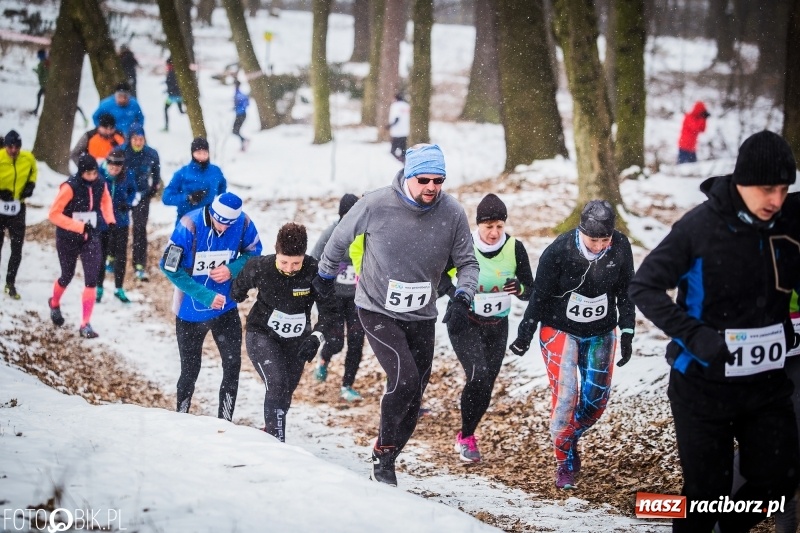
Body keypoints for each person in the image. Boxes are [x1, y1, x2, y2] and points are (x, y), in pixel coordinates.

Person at [629, 130, 800, 532]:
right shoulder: (698, 228)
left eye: (783, 189)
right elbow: (644, 286)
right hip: (702, 383)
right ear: (741, 182)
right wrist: (696, 335)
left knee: (782, 475)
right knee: (707, 491)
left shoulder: (787, 221)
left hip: (766, 382)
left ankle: (729, 526)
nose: (775, 200)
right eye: (766, 189)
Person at [316, 143, 479, 486]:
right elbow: (340, 237)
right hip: (376, 308)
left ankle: (386, 453)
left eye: (439, 180)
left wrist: (464, 296)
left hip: (421, 313)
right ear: (408, 175)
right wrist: (325, 279)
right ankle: (385, 456)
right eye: (424, 180)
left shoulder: (452, 212)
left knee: (415, 390)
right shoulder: (376, 204)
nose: (432, 187)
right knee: (403, 380)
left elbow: (467, 262)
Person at [509, 200, 635, 490]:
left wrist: (627, 332)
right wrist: (524, 334)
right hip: (559, 330)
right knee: (566, 399)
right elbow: (539, 295)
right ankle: (563, 463)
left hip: (601, 332)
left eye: (606, 239)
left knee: (595, 404)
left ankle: (569, 435)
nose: (600, 246)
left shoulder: (620, 246)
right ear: (581, 232)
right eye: (594, 239)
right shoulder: (559, 250)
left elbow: (627, 290)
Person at [438, 194, 534, 463]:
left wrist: (521, 289)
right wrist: (456, 295)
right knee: (478, 375)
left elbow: (531, 290)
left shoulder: (515, 248)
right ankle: (467, 439)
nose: (494, 232)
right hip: (465, 321)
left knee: (486, 384)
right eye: (488, 226)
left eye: (499, 226)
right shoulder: (464, 244)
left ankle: (466, 432)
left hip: (497, 325)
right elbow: (440, 276)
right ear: (478, 225)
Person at [160, 192, 262, 421]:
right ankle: (181, 417)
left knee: (233, 364)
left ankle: (225, 421)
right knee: (190, 369)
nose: (224, 228)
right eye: (220, 222)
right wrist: (205, 295)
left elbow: (254, 253)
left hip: (225, 309)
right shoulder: (188, 225)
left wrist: (232, 269)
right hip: (190, 311)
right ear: (211, 214)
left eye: (229, 224)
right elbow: (168, 267)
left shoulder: (243, 222)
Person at [231, 223, 327, 441]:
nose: (289, 268)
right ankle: (277, 443)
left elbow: (331, 313)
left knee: (285, 391)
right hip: (262, 333)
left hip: (297, 340)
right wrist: (237, 293)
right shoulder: (262, 267)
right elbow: (241, 283)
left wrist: (316, 337)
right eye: (284, 261)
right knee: (276, 382)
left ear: (304, 256)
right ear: (276, 253)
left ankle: (270, 431)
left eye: (296, 263)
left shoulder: (314, 271)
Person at [47, 154, 116, 339]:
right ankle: (54, 303)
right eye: (88, 173)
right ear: (81, 172)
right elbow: (53, 214)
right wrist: (78, 226)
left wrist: (110, 220)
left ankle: (85, 323)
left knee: (91, 279)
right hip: (67, 237)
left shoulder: (101, 183)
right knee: (67, 275)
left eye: (95, 172)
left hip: (90, 236)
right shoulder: (70, 187)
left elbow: (105, 201)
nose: (93, 176)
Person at [309, 193, 366, 402]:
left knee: (357, 341)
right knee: (336, 342)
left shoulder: (364, 234)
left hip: (357, 298)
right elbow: (313, 259)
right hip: (333, 298)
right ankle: (324, 359)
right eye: (345, 217)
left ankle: (347, 385)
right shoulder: (331, 233)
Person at [0, 130, 37, 300]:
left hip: (17, 208)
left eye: (17, 147)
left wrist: (31, 185)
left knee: (17, 248)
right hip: (0, 207)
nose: (13, 150)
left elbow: (33, 172)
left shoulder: (27, 158)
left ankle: (10, 283)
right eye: (10, 147)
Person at [96, 149, 136, 304]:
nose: (114, 171)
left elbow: (133, 191)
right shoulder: (99, 174)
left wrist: (128, 202)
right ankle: (98, 287)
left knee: (121, 255)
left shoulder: (127, 175)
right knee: (101, 254)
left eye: (118, 168)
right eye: (112, 167)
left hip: (121, 220)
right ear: (107, 163)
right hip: (103, 221)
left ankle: (119, 288)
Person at [123, 125, 161, 282]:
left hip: (143, 194)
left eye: (141, 139)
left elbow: (156, 175)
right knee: (120, 228)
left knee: (140, 229)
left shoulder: (151, 154)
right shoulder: (122, 152)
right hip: (123, 195)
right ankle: (113, 258)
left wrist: (152, 190)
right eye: (135, 139)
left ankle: (139, 264)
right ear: (130, 139)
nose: (138, 142)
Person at [162, 137, 226, 223]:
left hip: (208, 221)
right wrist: (188, 198)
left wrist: (221, 203)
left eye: (205, 153)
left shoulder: (215, 171)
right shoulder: (182, 173)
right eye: (198, 153)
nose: (202, 156)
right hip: (186, 221)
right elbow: (166, 198)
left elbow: (222, 188)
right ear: (192, 153)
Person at [31, 49, 88, 124]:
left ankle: (83, 118)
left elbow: (48, 75)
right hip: (52, 87)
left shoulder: (48, 63)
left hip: (54, 87)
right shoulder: (47, 63)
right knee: (68, 104)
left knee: (69, 104)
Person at [386, 93, 410, 163]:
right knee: (403, 151)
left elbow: (397, 118)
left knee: (392, 151)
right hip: (405, 132)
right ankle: (404, 164)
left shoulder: (396, 106)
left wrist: (389, 126)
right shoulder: (406, 106)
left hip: (397, 133)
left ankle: (403, 163)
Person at [163, 57, 184, 132]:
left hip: (172, 96)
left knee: (165, 109)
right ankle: (186, 112)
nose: (167, 66)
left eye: (167, 65)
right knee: (181, 111)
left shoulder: (171, 73)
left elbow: (172, 84)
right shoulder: (177, 71)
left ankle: (166, 126)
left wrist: (170, 90)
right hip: (179, 96)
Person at [232, 80, 249, 151]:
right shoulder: (237, 93)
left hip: (241, 114)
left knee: (235, 130)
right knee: (235, 130)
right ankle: (244, 142)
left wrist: (240, 108)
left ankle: (244, 141)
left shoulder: (240, 94)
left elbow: (246, 103)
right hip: (239, 114)